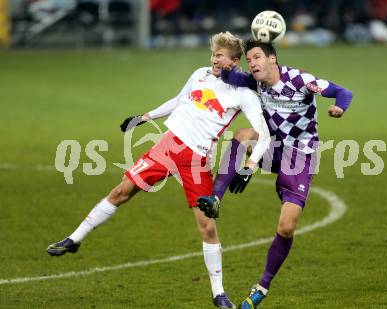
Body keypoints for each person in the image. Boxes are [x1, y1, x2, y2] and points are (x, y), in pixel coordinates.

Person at [46, 32, 271, 309]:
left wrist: (250, 165)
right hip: (168, 147)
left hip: (197, 160)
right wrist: (144, 117)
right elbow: (179, 100)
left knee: (207, 226)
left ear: (235, 61)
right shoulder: (200, 74)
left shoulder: (243, 94)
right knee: (121, 191)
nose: (214, 60)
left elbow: (262, 132)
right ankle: (74, 238)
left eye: (220, 56)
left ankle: (219, 293)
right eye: (213, 54)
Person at [196, 40, 353, 308]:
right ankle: (215, 198)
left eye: (257, 57)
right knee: (244, 135)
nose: (252, 63)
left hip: (300, 155)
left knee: (287, 227)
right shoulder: (255, 81)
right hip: (271, 145)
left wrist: (339, 108)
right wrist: (223, 62)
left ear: (273, 59)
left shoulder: (300, 80)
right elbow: (228, 73)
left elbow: (343, 92)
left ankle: (261, 288)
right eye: (249, 60)